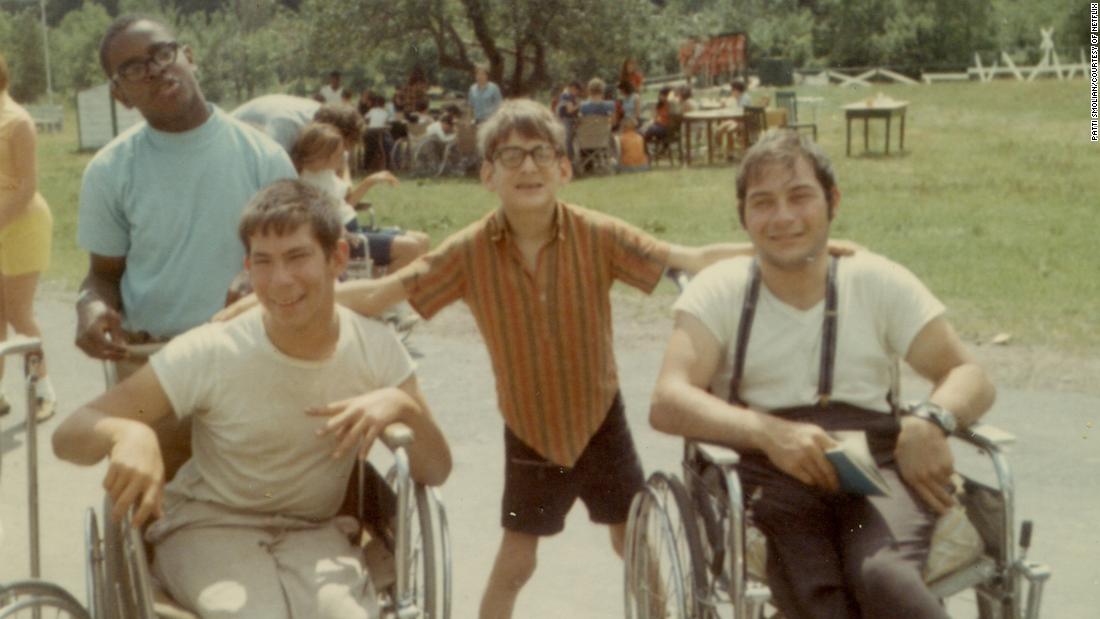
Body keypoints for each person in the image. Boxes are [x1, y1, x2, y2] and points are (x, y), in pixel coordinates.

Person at [216, 98, 800, 618]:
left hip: (601, 417)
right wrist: (264, 304)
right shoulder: (469, 251)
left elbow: (689, 256)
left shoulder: (596, 234)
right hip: (531, 428)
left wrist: (781, 252)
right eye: (510, 156)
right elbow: (381, 293)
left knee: (635, 540)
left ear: (564, 169)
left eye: (541, 154)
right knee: (517, 560)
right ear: (487, 174)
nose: (527, 167)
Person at [54, 179, 452, 619]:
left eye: (298, 256)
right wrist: (124, 431)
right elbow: (70, 433)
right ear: (248, 267)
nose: (280, 280)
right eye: (264, 262)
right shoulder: (212, 351)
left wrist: (401, 406)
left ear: (337, 258)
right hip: (209, 527)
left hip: (315, 533)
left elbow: (435, 468)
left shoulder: (376, 349)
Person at [649, 130, 996, 619]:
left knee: (884, 578)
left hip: (873, 466)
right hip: (770, 470)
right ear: (743, 216)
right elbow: (668, 398)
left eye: (800, 196)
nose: (784, 217)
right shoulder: (718, 291)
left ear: (832, 201)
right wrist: (766, 432)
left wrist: (931, 419)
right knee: (818, 596)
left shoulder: (875, 280)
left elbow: (968, 372)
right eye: (763, 202)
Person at [76, 15, 296, 362]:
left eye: (162, 54)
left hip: (252, 349)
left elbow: (298, 256)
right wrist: (90, 305)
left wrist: (258, 275)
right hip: (151, 355)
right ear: (120, 95)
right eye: (133, 68)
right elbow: (103, 275)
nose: (154, 70)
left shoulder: (264, 156)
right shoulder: (108, 170)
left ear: (189, 57)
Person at [0, 53, 56, 420]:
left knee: (20, 313)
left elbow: (27, 186)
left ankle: (42, 391)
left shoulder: (17, 121)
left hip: (22, 225)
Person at [291, 122, 423, 269]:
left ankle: (409, 290)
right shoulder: (306, 184)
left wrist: (370, 181)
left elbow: (347, 202)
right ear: (321, 156)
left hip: (355, 229)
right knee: (409, 248)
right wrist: (339, 229)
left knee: (422, 240)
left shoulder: (325, 173)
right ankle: (384, 290)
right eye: (339, 154)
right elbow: (316, 219)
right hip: (345, 238)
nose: (343, 157)